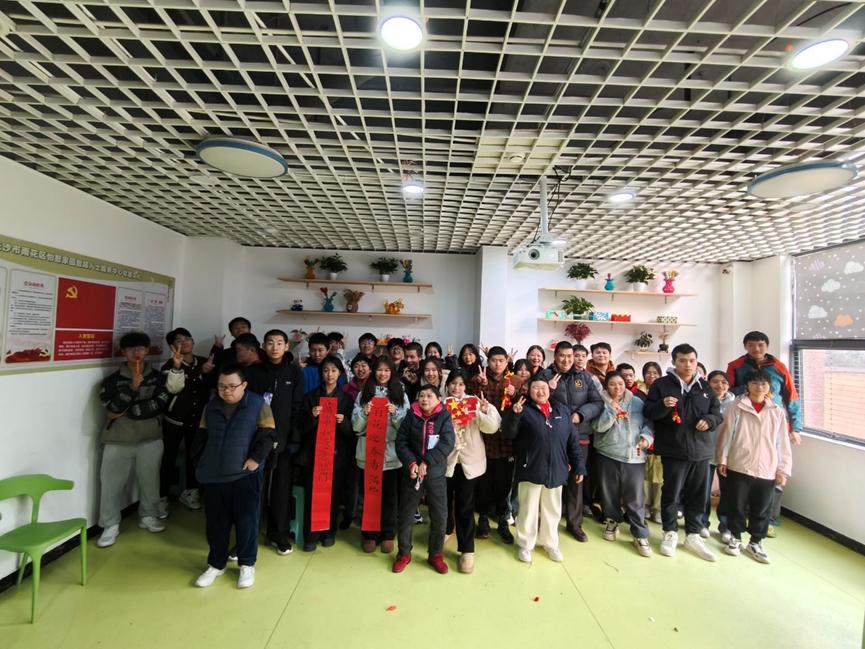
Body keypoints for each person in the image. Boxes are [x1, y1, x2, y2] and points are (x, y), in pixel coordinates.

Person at [193, 365, 275, 589]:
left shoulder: (258, 404)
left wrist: (255, 459)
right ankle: (216, 564)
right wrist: (200, 463)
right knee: (216, 523)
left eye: (232, 386)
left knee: (246, 521)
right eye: (222, 386)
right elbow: (201, 436)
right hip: (214, 474)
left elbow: (268, 435)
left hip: (244, 474)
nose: (227, 391)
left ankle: (247, 564)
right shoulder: (211, 406)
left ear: (244, 385)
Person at [96, 331, 177, 548]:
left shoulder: (158, 378)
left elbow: (160, 404)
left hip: (150, 438)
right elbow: (112, 409)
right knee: (111, 485)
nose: (137, 352)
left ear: (147, 350)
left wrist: (128, 410)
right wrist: (132, 387)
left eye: (141, 348)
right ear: (123, 352)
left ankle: (148, 515)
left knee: (150, 482)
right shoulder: (112, 380)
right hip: (118, 439)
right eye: (131, 348)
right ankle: (110, 524)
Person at [644, 344, 722, 561]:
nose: (688, 365)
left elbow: (717, 414)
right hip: (673, 449)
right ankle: (670, 532)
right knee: (671, 493)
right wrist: (663, 405)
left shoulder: (705, 387)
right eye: (683, 361)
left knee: (698, 494)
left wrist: (709, 421)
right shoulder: (661, 385)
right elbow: (649, 412)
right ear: (674, 362)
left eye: (692, 361)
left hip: (701, 450)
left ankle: (693, 535)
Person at [725, 331, 802, 538]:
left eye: (760, 345)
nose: (756, 349)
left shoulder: (779, 367)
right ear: (745, 346)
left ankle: (768, 521)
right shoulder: (736, 366)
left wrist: (795, 427)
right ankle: (736, 526)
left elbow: (791, 396)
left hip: (772, 422)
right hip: (745, 420)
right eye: (751, 345)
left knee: (773, 475)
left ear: (766, 346)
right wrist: (750, 390)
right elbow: (727, 391)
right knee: (741, 478)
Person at [716, 370, 793, 564]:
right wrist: (722, 459)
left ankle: (756, 542)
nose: (759, 387)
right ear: (747, 386)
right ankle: (735, 538)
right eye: (755, 383)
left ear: (769, 387)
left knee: (762, 507)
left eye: (763, 384)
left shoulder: (776, 411)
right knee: (736, 504)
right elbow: (726, 434)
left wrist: (783, 469)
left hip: (767, 466)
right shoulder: (737, 406)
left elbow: (782, 443)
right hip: (739, 463)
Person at [504, 377, 584, 563]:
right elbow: (508, 433)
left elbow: (573, 441)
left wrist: (578, 465)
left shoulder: (562, 411)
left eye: (543, 387)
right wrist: (514, 415)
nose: (540, 391)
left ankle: (550, 543)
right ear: (529, 390)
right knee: (528, 509)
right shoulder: (522, 409)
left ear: (550, 389)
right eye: (535, 388)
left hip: (557, 469)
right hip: (530, 469)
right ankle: (525, 544)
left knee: (553, 509)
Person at [537, 341, 603, 543]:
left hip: (579, 436)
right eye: (562, 356)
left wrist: (581, 415)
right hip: (553, 437)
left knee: (576, 481)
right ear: (555, 356)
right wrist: (548, 390)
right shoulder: (544, 376)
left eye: (569, 356)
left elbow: (598, 403)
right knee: (551, 481)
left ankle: (575, 524)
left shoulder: (584, 377)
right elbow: (534, 401)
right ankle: (549, 524)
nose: (566, 360)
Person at [246, 329, 304, 555]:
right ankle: (247, 535)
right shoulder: (253, 372)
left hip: (283, 438)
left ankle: (278, 534)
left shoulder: (294, 372)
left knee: (281, 488)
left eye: (279, 343)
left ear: (287, 346)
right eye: (270, 343)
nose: (275, 347)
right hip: (256, 438)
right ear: (263, 346)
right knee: (253, 489)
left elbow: (297, 407)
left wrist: (294, 438)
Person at [392, 384, 456, 574]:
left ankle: (435, 554)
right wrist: (411, 463)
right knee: (406, 515)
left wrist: (427, 462)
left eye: (429, 396)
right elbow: (401, 442)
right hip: (412, 474)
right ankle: (404, 553)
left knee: (439, 515)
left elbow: (447, 443)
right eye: (421, 396)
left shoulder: (444, 416)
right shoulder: (411, 415)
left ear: (438, 399)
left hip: (435, 474)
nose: (425, 399)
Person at [443, 370, 501, 573]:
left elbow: (492, 427)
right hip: (446, 461)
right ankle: (446, 529)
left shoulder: (476, 402)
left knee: (465, 506)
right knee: (443, 502)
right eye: (453, 384)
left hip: (469, 462)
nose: (456, 388)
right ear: (447, 386)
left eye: (460, 384)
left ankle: (467, 549)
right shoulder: (441, 404)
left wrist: (483, 412)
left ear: (466, 386)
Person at [592, 372, 654, 557]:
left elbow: (648, 423)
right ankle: (612, 520)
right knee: (609, 492)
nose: (617, 387)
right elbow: (598, 427)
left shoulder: (637, 402)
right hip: (608, 453)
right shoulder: (600, 402)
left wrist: (646, 437)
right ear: (606, 386)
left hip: (634, 456)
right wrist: (611, 410)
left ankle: (640, 534)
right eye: (612, 384)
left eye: (620, 383)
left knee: (635, 497)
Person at [297, 356, 355, 551]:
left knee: (334, 496)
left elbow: (352, 432)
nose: (329, 374)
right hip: (313, 455)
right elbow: (300, 428)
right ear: (321, 373)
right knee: (312, 495)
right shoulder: (310, 397)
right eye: (326, 370)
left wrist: (343, 422)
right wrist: (312, 416)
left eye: (333, 370)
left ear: (340, 373)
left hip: (337, 455)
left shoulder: (346, 399)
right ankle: (311, 535)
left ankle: (329, 533)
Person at [352, 356, 409, 553]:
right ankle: (369, 534)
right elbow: (355, 426)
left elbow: (406, 427)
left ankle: (388, 534)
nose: (382, 374)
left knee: (390, 497)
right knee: (369, 494)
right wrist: (364, 413)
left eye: (386, 370)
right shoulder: (364, 393)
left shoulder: (400, 393)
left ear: (392, 372)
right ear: (373, 371)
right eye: (379, 370)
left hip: (390, 455)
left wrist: (395, 413)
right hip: (368, 454)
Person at [158, 327, 214, 517]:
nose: (185, 342)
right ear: (172, 347)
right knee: (168, 458)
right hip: (174, 420)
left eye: (187, 338)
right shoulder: (168, 366)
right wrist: (193, 371)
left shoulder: (204, 362)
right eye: (179, 340)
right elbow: (175, 388)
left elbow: (210, 386)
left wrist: (205, 372)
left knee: (194, 457)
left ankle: (190, 493)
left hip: (198, 420)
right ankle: (162, 497)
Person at [469, 346, 522, 544]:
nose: (497, 364)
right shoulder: (478, 378)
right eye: (493, 360)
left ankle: (502, 521)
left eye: (501, 360)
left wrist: (514, 394)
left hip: (506, 442)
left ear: (507, 361)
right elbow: (469, 402)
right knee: (483, 484)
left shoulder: (515, 380)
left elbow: (522, 406)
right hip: (484, 441)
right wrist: (479, 386)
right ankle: (483, 519)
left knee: (504, 485)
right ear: (488, 361)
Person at [706, 370, 736, 540]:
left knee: (728, 492)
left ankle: (726, 526)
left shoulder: (736, 404)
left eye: (724, 382)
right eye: (715, 382)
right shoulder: (703, 400)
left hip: (728, 454)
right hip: (706, 452)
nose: (720, 385)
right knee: (702, 491)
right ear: (708, 383)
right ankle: (701, 522)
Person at [639, 361, 664, 523]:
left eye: (655, 373)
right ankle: (645, 506)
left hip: (662, 438)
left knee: (660, 478)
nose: (651, 375)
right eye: (648, 372)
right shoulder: (637, 393)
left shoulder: (665, 391)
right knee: (644, 478)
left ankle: (658, 509)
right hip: (642, 438)